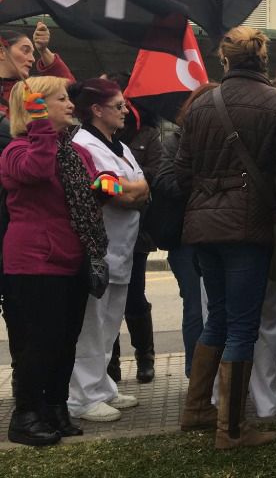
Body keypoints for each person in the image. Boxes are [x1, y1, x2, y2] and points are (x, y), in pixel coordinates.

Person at [176, 27, 276, 449]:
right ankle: (233, 429)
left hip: (203, 225)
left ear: (224, 60)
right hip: (248, 227)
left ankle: (197, 408)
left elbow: (181, 172)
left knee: (219, 317)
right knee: (244, 325)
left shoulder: (201, 103)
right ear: (262, 60)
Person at [1, 77, 109, 445]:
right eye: (60, 99)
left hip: (72, 259)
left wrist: (111, 186)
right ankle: (26, 416)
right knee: (39, 343)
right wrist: (39, 128)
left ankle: (56, 408)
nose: (70, 104)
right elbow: (35, 170)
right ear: (36, 108)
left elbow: (93, 189)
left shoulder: (76, 152)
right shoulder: (16, 150)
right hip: (34, 263)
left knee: (65, 341)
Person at [67, 78, 150, 422]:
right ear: (96, 110)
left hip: (123, 249)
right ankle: (81, 398)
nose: (125, 112)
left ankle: (102, 387)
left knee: (110, 323)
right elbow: (114, 190)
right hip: (99, 249)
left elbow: (143, 188)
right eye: (118, 106)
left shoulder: (120, 147)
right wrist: (131, 190)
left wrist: (131, 189)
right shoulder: (83, 145)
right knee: (92, 325)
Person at [152, 83, 217, 379]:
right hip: (185, 237)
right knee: (195, 307)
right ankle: (197, 376)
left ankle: (220, 375)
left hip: (218, 232)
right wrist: (205, 181)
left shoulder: (225, 141)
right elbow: (166, 182)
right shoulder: (175, 142)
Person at [107, 93, 163, 385]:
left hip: (137, 230)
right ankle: (110, 362)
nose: (122, 110)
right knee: (105, 299)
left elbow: (154, 173)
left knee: (134, 297)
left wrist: (131, 186)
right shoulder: (94, 139)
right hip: (105, 231)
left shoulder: (147, 136)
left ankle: (145, 357)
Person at [1, 23, 75, 106]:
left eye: (32, 53)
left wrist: (43, 50)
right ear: (1, 52)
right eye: (25, 51)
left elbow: (71, 91)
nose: (32, 59)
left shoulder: (32, 93)